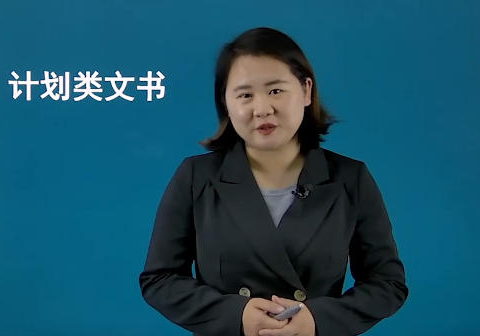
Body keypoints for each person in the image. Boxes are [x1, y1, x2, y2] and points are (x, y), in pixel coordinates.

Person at [139, 27, 408, 336]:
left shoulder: (350, 179)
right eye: (245, 95)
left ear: (306, 91)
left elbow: (387, 283)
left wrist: (318, 320)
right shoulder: (196, 177)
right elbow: (159, 279)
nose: (262, 109)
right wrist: (236, 315)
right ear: (226, 103)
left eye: (276, 90)